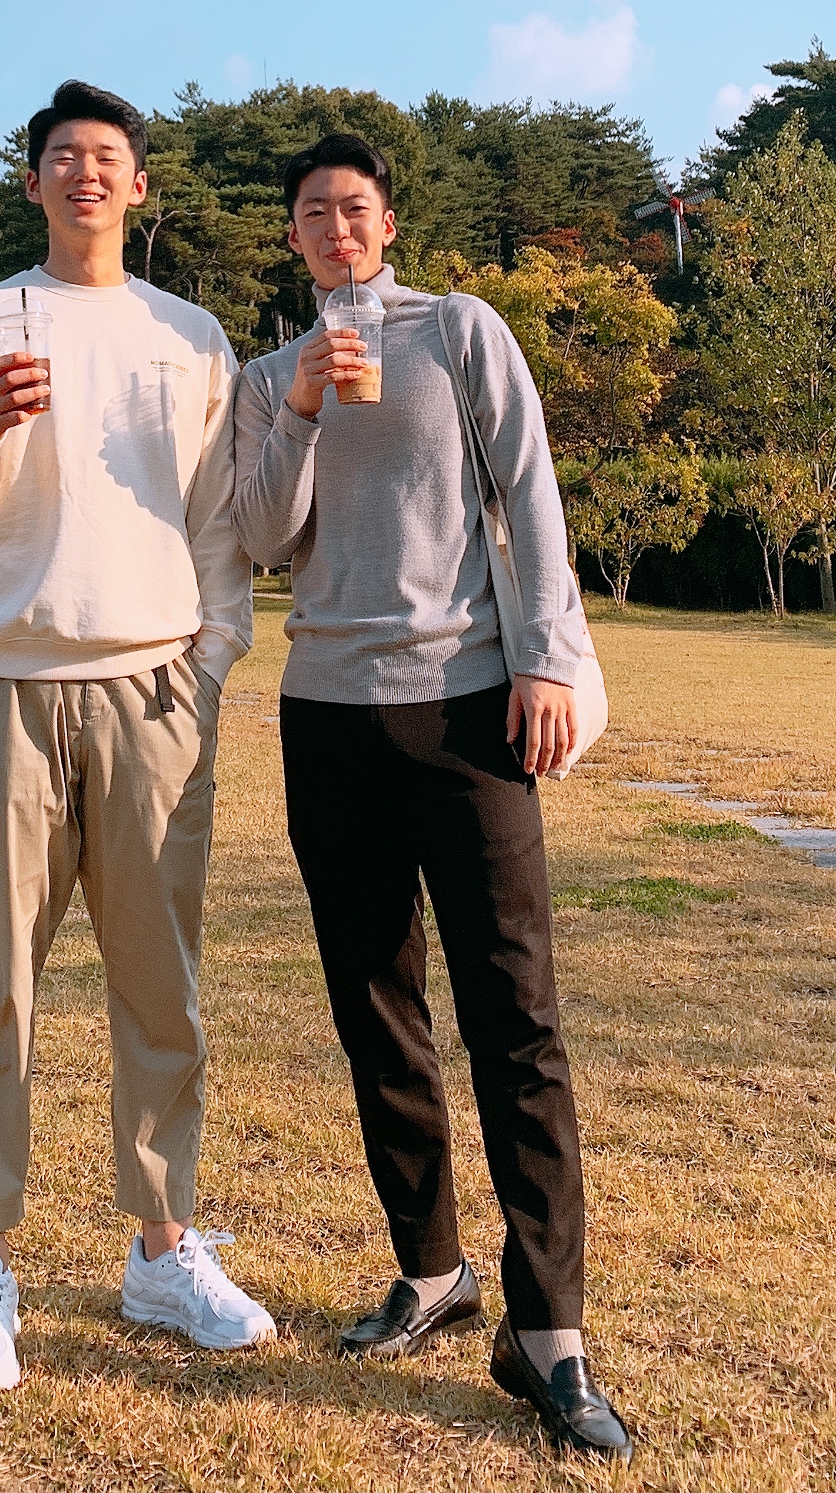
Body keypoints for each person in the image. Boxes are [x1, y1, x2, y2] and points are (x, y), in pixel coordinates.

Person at [232, 130, 631, 1463]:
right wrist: (299, 405)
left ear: (388, 224)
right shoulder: (269, 375)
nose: (336, 229)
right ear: (293, 238)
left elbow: (530, 491)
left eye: (355, 208)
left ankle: (551, 1335)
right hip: (327, 716)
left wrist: (549, 659)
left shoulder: (459, 330)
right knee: (376, 1008)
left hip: (467, 710)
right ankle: (431, 1267)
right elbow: (262, 535)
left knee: (515, 1015)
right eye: (313, 213)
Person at [0, 78, 273, 1395]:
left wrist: (212, 664)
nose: (85, 172)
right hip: (3, 688)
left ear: (138, 186)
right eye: (63, 155)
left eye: (107, 156)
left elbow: (219, 521)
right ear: (34, 181)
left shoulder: (190, 336)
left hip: (154, 693)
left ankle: (162, 1249)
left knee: (161, 986)